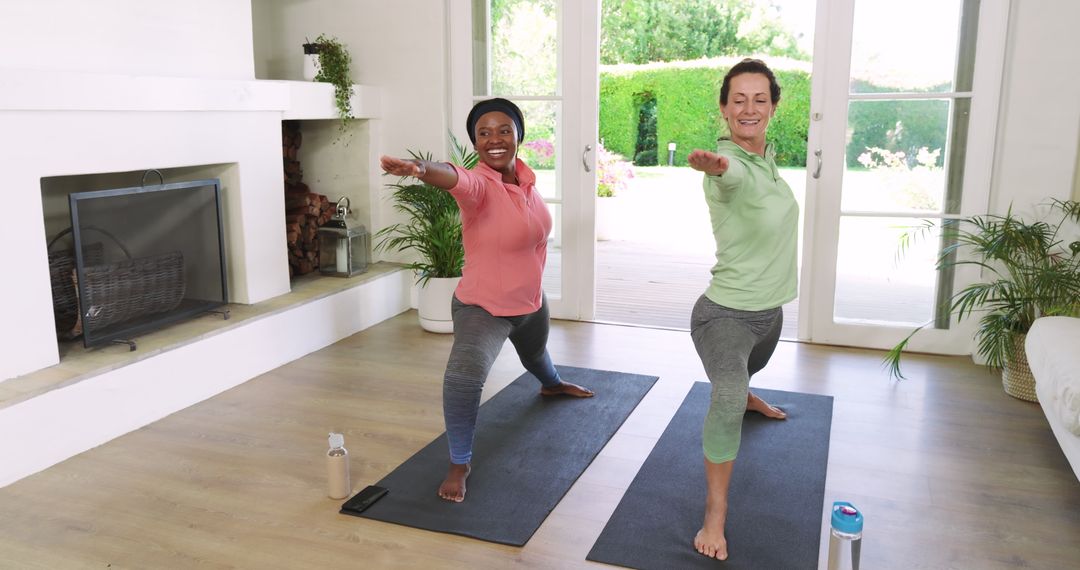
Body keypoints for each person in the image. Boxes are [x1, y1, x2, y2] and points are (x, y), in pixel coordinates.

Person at [380, 98, 594, 503]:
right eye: (483, 133)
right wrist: (423, 170)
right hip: (484, 309)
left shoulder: (527, 182)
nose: (494, 140)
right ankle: (460, 461)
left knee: (536, 356)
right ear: (475, 142)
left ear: (518, 136)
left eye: (504, 130)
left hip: (531, 302)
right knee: (463, 378)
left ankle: (552, 385)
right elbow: (456, 178)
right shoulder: (479, 187)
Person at [685, 58, 799, 560]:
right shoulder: (730, 166)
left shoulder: (769, 161)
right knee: (727, 395)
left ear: (773, 106)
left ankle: (748, 391)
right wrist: (716, 166)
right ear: (725, 109)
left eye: (759, 99)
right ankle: (714, 517)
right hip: (724, 316)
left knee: (746, 377)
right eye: (738, 100)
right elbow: (730, 178)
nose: (748, 108)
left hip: (768, 317)